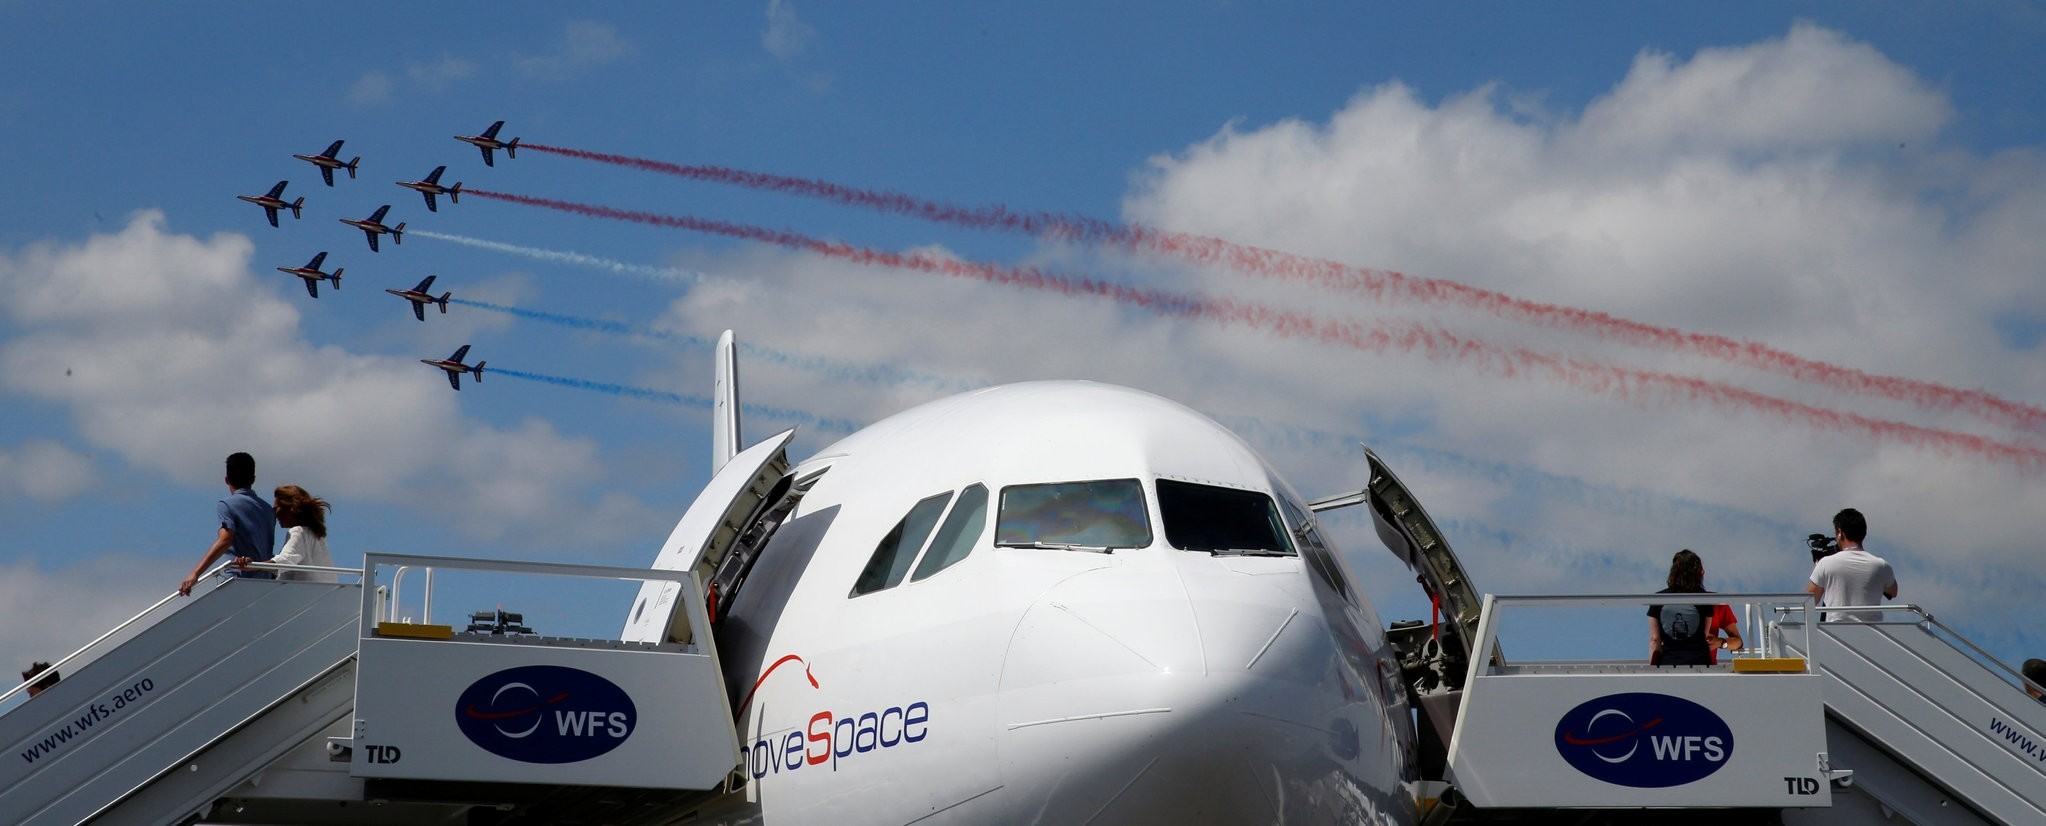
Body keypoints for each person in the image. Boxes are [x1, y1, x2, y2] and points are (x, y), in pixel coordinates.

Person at [179, 452, 277, 596]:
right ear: (253, 479)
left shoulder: (227, 505)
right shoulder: (268, 510)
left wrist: (195, 573)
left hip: (237, 580)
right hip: (264, 583)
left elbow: (225, 539)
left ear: (227, 479)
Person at [1648, 549, 1742, 666]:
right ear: (1701, 573)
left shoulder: (1660, 600)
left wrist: (1720, 643)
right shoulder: (1710, 602)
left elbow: (1738, 642)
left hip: (1669, 666)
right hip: (1702, 667)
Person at [1805, 508, 1897, 622]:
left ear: (1839, 533)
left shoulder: (1826, 563)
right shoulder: (1882, 565)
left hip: (1836, 633)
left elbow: (1809, 601)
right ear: (1864, 533)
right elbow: (1893, 592)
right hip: (1874, 634)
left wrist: (1819, 570)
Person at [244, 484, 335, 582]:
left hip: (302, 594)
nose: (274, 514)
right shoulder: (316, 535)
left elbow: (286, 559)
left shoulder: (298, 532)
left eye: (276, 509)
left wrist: (253, 566)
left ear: (289, 507)